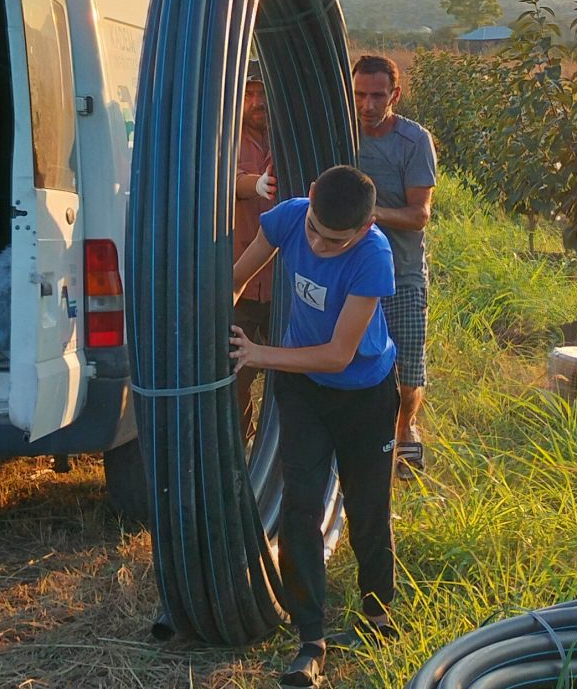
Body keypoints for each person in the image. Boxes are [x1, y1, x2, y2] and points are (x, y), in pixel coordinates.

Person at [230, 165, 399, 688]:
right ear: (308, 204)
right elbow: (235, 279)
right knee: (301, 504)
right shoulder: (287, 218)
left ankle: (376, 611)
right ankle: (311, 636)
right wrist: (213, 323)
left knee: (368, 502)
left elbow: (337, 355)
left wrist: (259, 354)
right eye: (314, 233)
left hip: (364, 394)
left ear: (367, 225)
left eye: (336, 241)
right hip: (303, 391)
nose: (321, 246)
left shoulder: (374, 256)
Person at [350, 55, 436, 479]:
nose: (367, 105)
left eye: (377, 96)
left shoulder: (413, 141)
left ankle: (406, 427)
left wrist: (368, 215)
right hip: (351, 272)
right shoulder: (342, 134)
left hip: (400, 272)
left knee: (405, 375)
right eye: (359, 95)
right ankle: (365, 440)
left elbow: (419, 214)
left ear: (395, 95)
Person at [230, 63, 279, 430]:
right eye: (248, 94)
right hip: (240, 281)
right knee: (235, 377)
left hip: (284, 283)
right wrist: (254, 185)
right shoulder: (225, 137)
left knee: (289, 378)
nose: (257, 102)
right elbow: (224, 180)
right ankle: (239, 451)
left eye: (263, 93)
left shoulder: (290, 136)